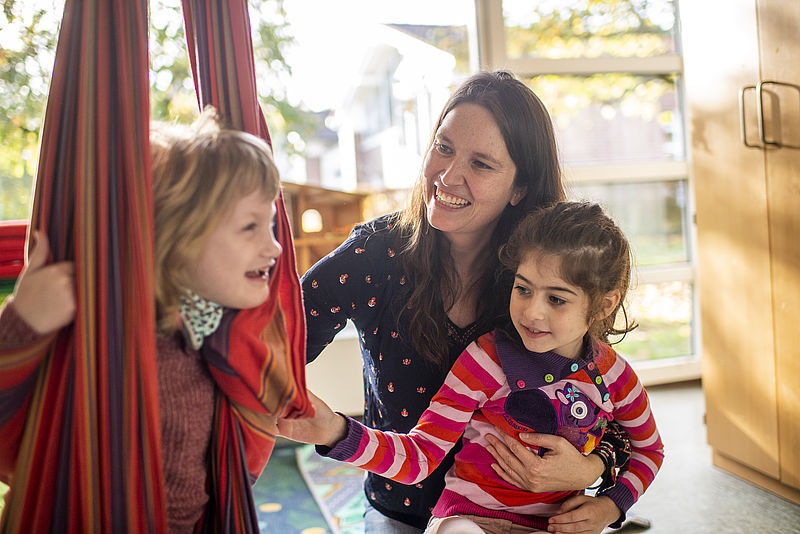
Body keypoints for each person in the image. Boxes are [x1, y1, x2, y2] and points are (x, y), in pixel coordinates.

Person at [298, 71, 632, 533]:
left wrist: (595, 477)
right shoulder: (373, 254)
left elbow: (611, 411)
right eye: (444, 147)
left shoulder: (543, 278)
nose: (448, 175)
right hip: (403, 511)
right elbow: (273, 341)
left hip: (532, 517)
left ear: (520, 189)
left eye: (481, 164)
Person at [281, 201, 664, 534]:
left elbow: (650, 451)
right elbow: (419, 457)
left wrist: (611, 504)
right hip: (467, 520)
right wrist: (334, 430)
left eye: (557, 299)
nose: (532, 311)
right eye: (523, 288)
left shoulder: (616, 377)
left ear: (604, 304)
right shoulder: (484, 359)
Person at [0, 108, 286, 533]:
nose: (275, 248)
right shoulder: (104, 343)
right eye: (250, 227)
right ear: (176, 237)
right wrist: (23, 324)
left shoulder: (209, 331)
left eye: (272, 225)